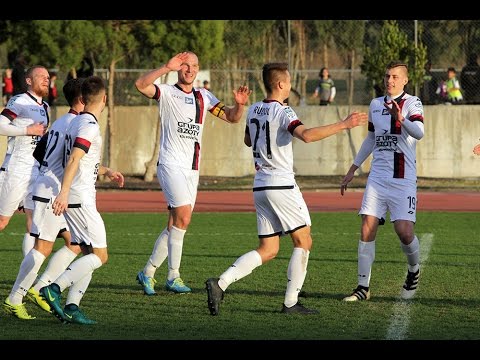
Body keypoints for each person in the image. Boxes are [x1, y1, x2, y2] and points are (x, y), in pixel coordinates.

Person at [205, 62, 368, 316]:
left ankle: (221, 283)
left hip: (260, 186)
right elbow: (306, 135)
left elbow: (249, 140)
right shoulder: (284, 111)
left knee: (268, 249)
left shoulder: (255, 109)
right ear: (280, 84)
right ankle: (291, 302)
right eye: (289, 81)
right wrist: (343, 125)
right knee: (304, 240)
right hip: (281, 184)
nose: (291, 85)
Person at [134, 51, 251, 295]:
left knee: (175, 224)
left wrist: (239, 105)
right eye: (185, 65)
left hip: (192, 169)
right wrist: (165, 68)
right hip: (169, 164)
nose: (190, 69)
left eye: (194, 65)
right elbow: (140, 85)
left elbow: (231, 117)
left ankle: (147, 273)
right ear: (178, 68)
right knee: (184, 218)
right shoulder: (166, 92)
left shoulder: (204, 96)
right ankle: (173, 276)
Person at [39, 76, 124, 325]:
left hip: (77, 195)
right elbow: (74, 159)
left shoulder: (78, 122)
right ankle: (54, 288)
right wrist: (64, 192)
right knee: (100, 256)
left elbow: (83, 160)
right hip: (79, 197)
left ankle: (73, 306)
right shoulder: (89, 126)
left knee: (87, 253)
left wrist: (106, 171)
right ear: (104, 99)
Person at [340, 61, 425, 302]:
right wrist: (353, 169)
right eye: (387, 76)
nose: (390, 80)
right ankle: (362, 287)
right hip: (377, 177)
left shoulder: (413, 103)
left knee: (404, 232)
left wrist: (401, 119)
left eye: (395, 76)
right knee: (367, 225)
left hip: (403, 178)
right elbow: (371, 139)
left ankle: (413, 270)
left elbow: (419, 132)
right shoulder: (376, 104)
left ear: (404, 80)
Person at [3, 78, 87, 320]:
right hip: (50, 192)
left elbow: (40, 152)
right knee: (43, 247)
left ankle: (41, 289)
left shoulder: (60, 119)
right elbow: (72, 159)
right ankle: (19, 296)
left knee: (75, 243)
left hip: (47, 187)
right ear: (82, 99)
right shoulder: (79, 124)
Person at [0, 66, 49, 255]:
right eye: (41, 77)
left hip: (35, 172)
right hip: (16, 169)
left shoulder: (45, 107)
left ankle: (27, 276)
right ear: (29, 81)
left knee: (33, 223)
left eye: (47, 77)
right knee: (3, 222)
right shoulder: (19, 101)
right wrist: (26, 130)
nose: (46, 80)